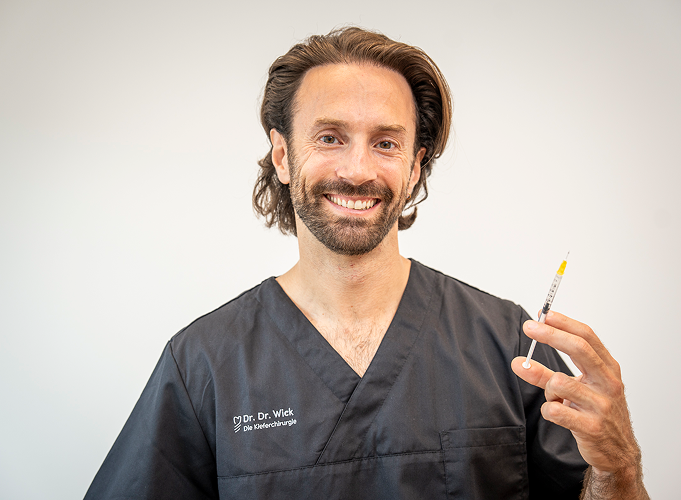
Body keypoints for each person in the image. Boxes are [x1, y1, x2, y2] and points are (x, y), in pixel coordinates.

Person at [85, 27, 648, 499]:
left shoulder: (508, 347)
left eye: (386, 143)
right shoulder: (204, 365)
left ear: (414, 166)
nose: (357, 170)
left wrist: (618, 468)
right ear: (282, 155)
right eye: (330, 137)